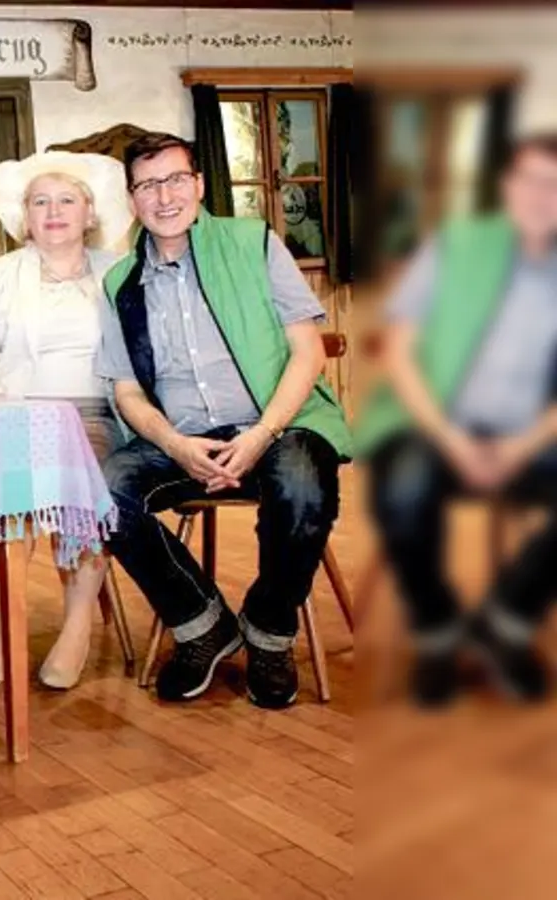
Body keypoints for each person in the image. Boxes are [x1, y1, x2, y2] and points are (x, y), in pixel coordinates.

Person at [95, 132, 351, 710]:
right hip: (182, 437)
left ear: (200, 184)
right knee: (104, 493)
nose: (164, 196)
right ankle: (202, 623)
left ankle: (267, 628)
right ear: (131, 198)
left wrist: (261, 435)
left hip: (277, 424)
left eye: (176, 179)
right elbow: (129, 391)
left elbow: (308, 354)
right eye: (148, 184)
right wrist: (177, 445)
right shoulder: (120, 283)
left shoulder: (254, 242)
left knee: (304, 482)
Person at [361, 132, 557, 707]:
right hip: (433, 422)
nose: (540, 196)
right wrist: (451, 440)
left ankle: (506, 623)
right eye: (529, 181)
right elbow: (398, 351)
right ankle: (439, 630)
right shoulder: (456, 246)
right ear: (507, 187)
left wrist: (522, 446)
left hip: (530, 434)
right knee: (403, 491)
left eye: (553, 185)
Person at [0, 150, 134, 689]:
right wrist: (11, 415)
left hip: (98, 416)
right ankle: (3, 622)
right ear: (24, 218)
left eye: (66, 200)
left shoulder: (119, 273)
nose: (53, 212)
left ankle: (77, 624)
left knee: (90, 488)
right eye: (40, 202)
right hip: (17, 414)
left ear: (90, 212)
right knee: (1, 494)